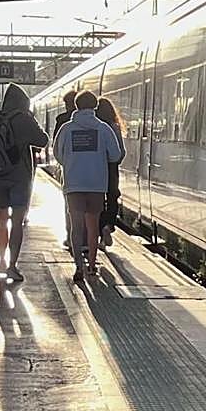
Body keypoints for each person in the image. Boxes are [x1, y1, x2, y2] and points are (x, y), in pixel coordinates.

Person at [0, 83, 48, 282]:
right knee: (17, 222)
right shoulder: (23, 118)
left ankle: (1, 261)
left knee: (1, 220)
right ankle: (12, 266)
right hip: (19, 175)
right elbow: (42, 140)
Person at [54, 90, 120, 283]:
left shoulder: (66, 129)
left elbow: (58, 153)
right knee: (92, 227)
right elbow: (115, 156)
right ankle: (92, 266)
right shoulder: (104, 129)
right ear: (95, 106)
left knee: (76, 227)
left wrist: (71, 163)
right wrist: (98, 159)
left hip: (73, 184)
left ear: (76, 106)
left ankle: (78, 267)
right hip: (96, 185)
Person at [95, 96, 126, 249]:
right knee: (113, 197)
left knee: (99, 200)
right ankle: (109, 226)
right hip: (112, 168)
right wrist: (115, 162)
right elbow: (121, 151)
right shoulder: (114, 127)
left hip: (96, 168)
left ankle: (101, 234)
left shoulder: (96, 127)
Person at [52, 89, 77, 248]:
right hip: (94, 173)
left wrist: (64, 163)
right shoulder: (98, 122)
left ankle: (71, 236)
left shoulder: (62, 120)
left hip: (69, 169)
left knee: (70, 206)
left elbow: (56, 146)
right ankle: (89, 241)